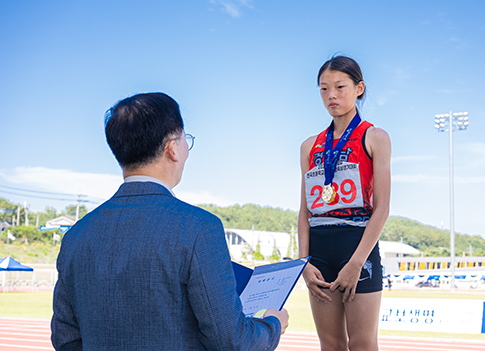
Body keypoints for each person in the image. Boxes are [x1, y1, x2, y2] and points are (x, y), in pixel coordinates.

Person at [52, 93, 288, 350]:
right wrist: (273, 324)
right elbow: (232, 341)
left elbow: (65, 340)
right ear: (173, 148)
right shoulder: (199, 227)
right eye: (186, 140)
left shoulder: (76, 235)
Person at [299, 55, 391, 351]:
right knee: (330, 343)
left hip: (358, 242)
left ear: (359, 88)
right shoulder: (309, 146)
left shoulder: (375, 137)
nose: (331, 96)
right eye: (324, 89)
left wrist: (357, 262)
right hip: (319, 248)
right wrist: (303, 262)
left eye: (340, 87)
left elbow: (383, 208)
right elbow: (304, 211)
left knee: (362, 343)